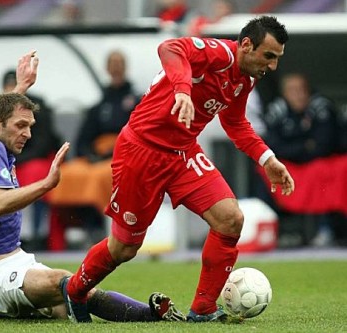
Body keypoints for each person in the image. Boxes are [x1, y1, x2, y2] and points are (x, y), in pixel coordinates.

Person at [0, 51, 184, 324]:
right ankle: (153, 316)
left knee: (63, 305)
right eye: (21, 125)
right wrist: (47, 184)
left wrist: (20, 87)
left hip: (17, 260)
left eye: (30, 126)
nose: (28, 134)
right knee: (68, 283)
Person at [60, 16, 295, 323]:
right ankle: (76, 291)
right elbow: (170, 47)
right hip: (141, 151)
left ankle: (203, 309)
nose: (272, 66)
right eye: (269, 56)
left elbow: (235, 123)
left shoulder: (246, 78)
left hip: (183, 152)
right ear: (247, 45)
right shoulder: (220, 54)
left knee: (230, 219)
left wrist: (267, 159)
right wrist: (183, 89)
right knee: (125, 247)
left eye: (277, 59)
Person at [44, 50, 140, 250]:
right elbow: (83, 139)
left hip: (123, 156)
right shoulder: (98, 106)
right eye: (112, 63)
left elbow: (139, 134)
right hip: (98, 156)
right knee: (69, 173)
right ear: (106, 68)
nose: (116, 67)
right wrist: (90, 155)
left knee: (99, 177)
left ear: (126, 67)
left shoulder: (137, 101)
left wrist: (113, 152)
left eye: (119, 62)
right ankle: (84, 224)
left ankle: (98, 224)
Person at [262, 72, 339, 247]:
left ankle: (325, 229)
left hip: (316, 166)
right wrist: (304, 146)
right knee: (263, 173)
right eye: (292, 90)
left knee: (323, 171)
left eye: (302, 89)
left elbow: (324, 145)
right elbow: (271, 146)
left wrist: (293, 149)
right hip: (286, 166)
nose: (298, 94)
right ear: (284, 94)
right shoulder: (276, 111)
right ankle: (271, 230)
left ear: (308, 91)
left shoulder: (321, 108)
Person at [1, 69, 62, 249]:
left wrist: (15, 159)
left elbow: (42, 144)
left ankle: (37, 233)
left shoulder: (37, 108)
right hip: (12, 160)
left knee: (35, 174)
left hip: (32, 160)